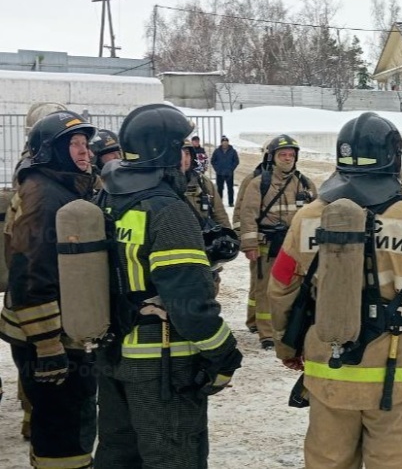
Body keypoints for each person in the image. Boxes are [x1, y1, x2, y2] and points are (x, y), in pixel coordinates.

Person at [269, 111, 402, 469]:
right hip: (395, 371)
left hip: (328, 367)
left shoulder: (308, 216)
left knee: (328, 460)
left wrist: (286, 346)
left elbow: (281, 287)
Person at [93, 103, 242, 467]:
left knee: (119, 457)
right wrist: (225, 353)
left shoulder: (107, 198)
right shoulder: (166, 210)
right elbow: (189, 302)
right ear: (164, 151)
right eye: (183, 148)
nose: (188, 156)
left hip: (112, 358)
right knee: (174, 457)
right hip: (162, 369)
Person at [0, 110, 98, 469]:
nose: (84, 151)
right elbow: (30, 274)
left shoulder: (62, 185)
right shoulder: (44, 196)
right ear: (49, 150)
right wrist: (48, 345)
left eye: (85, 143)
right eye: (73, 144)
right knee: (62, 427)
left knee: (68, 416)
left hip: (61, 330)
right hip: (47, 336)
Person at [239, 134, 316, 350]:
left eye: (291, 155)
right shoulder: (258, 184)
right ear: (273, 157)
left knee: (294, 287)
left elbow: (316, 213)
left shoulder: (305, 183)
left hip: (295, 247)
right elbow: (247, 215)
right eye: (282, 155)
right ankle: (267, 333)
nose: (287, 158)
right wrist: (250, 245)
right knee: (265, 289)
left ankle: (289, 326)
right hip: (268, 246)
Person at [181, 138, 235, 297]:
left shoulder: (204, 184)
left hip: (206, 257)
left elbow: (220, 216)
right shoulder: (161, 185)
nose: (185, 158)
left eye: (187, 153)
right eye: (180, 153)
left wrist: (224, 245)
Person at [232, 139, 270, 334]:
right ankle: (254, 319)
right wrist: (246, 241)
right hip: (259, 241)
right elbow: (241, 211)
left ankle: (255, 319)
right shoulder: (253, 180)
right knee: (258, 284)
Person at [211, 135, 239, 207]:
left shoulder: (233, 151)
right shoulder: (217, 151)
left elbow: (236, 161)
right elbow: (212, 161)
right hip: (220, 173)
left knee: (230, 189)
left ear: (228, 143)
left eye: (226, 142)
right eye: (223, 142)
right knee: (219, 189)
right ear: (221, 143)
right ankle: (219, 203)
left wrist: (231, 168)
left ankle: (231, 202)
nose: (225, 144)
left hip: (229, 173)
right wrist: (217, 169)